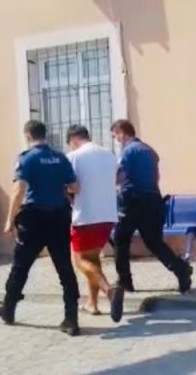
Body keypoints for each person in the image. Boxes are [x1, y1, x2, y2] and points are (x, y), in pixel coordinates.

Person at [0, 120, 82, 336]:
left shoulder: (27, 158)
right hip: (59, 218)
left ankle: (8, 310)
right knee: (64, 268)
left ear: (28, 136)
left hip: (34, 220)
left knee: (21, 266)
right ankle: (71, 319)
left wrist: (9, 219)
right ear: (45, 135)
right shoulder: (60, 157)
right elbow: (75, 187)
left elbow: (18, 190)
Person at [111, 119, 192, 320]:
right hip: (154, 201)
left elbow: (119, 176)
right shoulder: (150, 151)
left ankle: (125, 281)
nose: (116, 140)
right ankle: (181, 269)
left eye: (115, 136)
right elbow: (156, 177)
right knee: (154, 242)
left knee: (120, 238)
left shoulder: (128, 151)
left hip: (133, 201)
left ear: (122, 133)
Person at [65, 125, 123, 322]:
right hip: (108, 215)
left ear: (73, 140)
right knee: (93, 258)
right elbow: (117, 179)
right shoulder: (109, 154)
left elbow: (72, 186)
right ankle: (92, 303)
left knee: (80, 260)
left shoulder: (74, 157)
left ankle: (109, 290)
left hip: (85, 216)